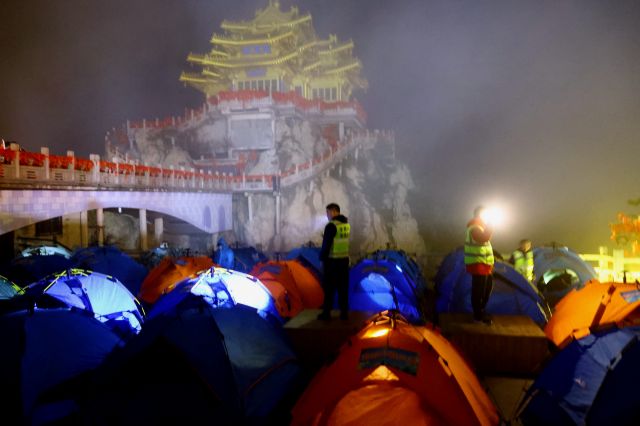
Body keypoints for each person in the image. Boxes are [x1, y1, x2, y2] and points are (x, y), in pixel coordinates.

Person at [318, 203, 350, 320]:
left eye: (327, 212)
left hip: (332, 262)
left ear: (333, 211)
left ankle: (326, 314)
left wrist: (322, 259)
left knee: (329, 288)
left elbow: (326, 245)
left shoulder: (331, 225)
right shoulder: (346, 224)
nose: (327, 215)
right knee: (343, 289)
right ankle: (344, 314)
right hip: (344, 261)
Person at [464, 206, 495, 325]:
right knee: (478, 291)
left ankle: (481, 312)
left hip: (485, 265)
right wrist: (491, 224)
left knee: (486, 289)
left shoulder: (481, 227)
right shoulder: (474, 227)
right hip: (478, 265)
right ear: (479, 215)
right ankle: (477, 317)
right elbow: (483, 238)